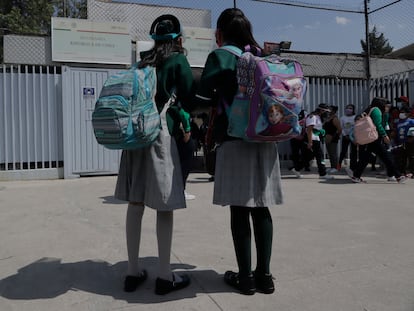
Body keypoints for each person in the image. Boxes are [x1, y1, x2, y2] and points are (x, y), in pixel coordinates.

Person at [195, 8, 280, 295]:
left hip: (235, 140)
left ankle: (245, 278)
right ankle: (265, 277)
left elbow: (201, 95)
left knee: (240, 209)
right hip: (266, 139)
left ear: (220, 33)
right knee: (262, 207)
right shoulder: (262, 56)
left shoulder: (220, 56)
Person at [114, 14, 194, 295]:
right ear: (179, 39)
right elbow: (189, 96)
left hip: (135, 138)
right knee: (164, 205)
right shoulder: (178, 61)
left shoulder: (142, 61)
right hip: (161, 136)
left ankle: (132, 272)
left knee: (135, 204)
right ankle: (164, 276)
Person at [347, 97, 406, 184]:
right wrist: (384, 135)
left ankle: (356, 176)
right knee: (386, 157)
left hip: (369, 138)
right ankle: (398, 176)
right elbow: (378, 125)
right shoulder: (376, 111)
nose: (387, 107)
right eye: (385, 105)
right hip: (374, 138)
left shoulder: (369, 110)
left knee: (367, 158)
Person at [166, 105, 196, 200]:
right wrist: (187, 129)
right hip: (172, 131)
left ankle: (178, 189)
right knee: (186, 156)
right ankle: (180, 189)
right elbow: (182, 111)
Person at [305, 103, 334, 180]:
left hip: (316, 138)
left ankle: (295, 168)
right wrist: (310, 142)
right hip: (313, 139)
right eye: (326, 112)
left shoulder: (318, 117)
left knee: (309, 156)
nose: (327, 114)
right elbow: (309, 130)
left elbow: (317, 128)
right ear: (321, 110)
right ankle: (322, 173)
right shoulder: (312, 117)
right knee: (320, 156)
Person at [289, 109, 312, 178]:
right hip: (294, 137)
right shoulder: (292, 113)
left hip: (303, 137)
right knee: (295, 153)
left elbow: (308, 126)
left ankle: (306, 166)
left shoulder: (306, 114)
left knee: (305, 153)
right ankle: (296, 167)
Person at [394, 106, 414, 177]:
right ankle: (402, 172)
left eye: (403, 112)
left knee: (411, 157)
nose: (401, 114)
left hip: (410, 143)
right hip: (401, 143)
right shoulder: (399, 122)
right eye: (401, 112)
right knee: (402, 158)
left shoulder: (411, 121)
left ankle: (412, 172)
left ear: (408, 114)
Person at [338, 104, 357, 172]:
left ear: (353, 110)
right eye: (347, 108)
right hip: (345, 136)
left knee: (354, 152)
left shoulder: (355, 117)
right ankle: (339, 164)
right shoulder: (342, 118)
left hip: (354, 137)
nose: (348, 109)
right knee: (343, 151)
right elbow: (341, 127)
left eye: (350, 108)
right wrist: (345, 135)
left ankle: (353, 166)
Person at [323, 105, 342, 173]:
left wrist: (334, 137)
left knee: (333, 153)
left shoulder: (335, 119)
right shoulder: (328, 118)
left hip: (333, 138)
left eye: (330, 109)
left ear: (333, 111)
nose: (328, 110)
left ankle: (335, 167)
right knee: (330, 153)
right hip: (327, 138)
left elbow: (339, 129)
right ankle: (332, 166)